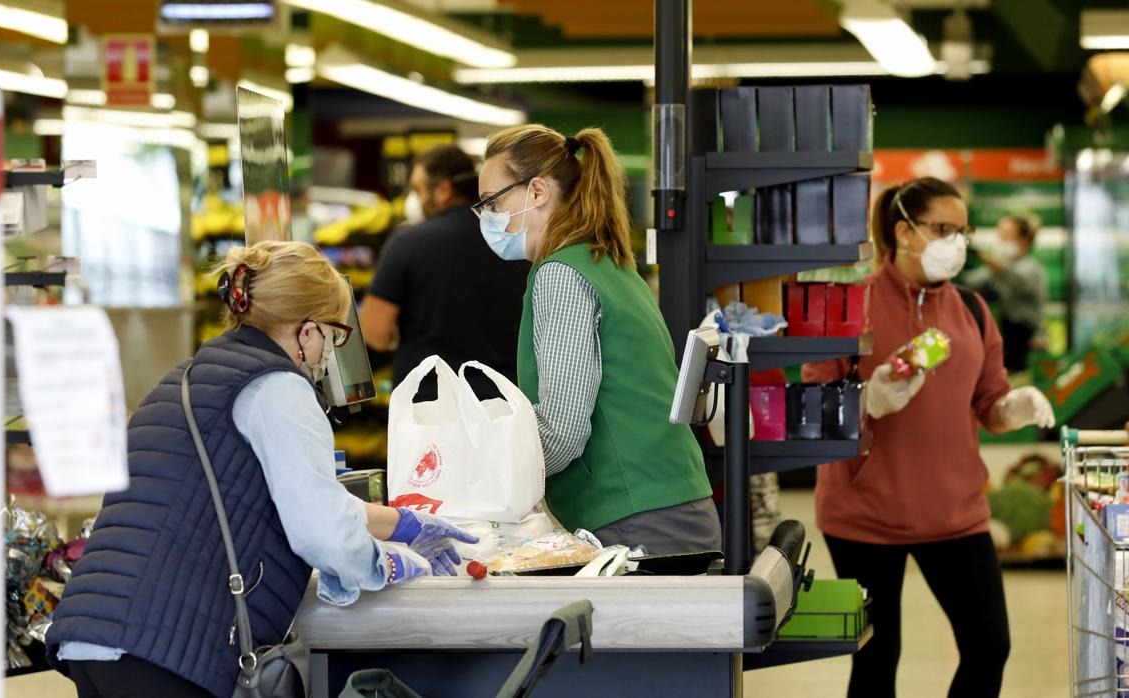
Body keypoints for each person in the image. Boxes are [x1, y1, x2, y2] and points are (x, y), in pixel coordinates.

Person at [45, 241, 476, 698]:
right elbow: (321, 533)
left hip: (97, 633)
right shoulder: (279, 387)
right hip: (166, 647)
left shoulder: (190, 376)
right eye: (335, 334)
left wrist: (400, 523)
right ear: (307, 331)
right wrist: (384, 564)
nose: (330, 350)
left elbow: (285, 493)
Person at [803, 178, 1056, 698]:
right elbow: (811, 407)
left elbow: (990, 404)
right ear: (905, 231)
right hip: (863, 515)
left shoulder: (973, 309)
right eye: (943, 229)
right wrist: (865, 402)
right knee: (877, 658)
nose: (956, 243)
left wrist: (1015, 407)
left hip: (955, 514)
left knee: (989, 645)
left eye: (963, 231)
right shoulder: (851, 304)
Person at [475, 124, 720, 555]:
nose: (487, 217)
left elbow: (563, 431)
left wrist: (489, 485)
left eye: (493, 202)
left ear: (537, 191)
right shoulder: (611, 264)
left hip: (633, 520)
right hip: (672, 504)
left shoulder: (561, 276)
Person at [361, 144, 531, 398]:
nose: (414, 198)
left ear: (442, 190)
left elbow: (375, 332)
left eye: (418, 189)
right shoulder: (514, 242)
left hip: (428, 405)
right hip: (503, 403)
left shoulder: (407, 243)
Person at [965, 213, 1049, 372]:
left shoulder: (1032, 268)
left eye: (1007, 236)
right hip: (1009, 338)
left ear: (1023, 240)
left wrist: (986, 258)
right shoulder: (996, 270)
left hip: (1029, 341)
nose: (1001, 241)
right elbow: (972, 282)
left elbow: (1017, 280)